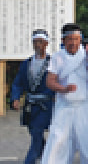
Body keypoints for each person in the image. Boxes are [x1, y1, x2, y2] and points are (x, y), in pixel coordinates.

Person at [42, 23, 88, 164]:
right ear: (63, 41)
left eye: (76, 39)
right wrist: (64, 89)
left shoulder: (86, 55)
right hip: (64, 106)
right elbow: (50, 81)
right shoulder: (57, 57)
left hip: (84, 107)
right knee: (58, 140)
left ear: (80, 39)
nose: (73, 42)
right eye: (69, 39)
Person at [10, 29, 55, 164]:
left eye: (40, 42)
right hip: (30, 105)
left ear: (46, 43)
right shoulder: (26, 63)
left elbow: (58, 81)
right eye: (35, 42)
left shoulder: (53, 62)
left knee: (36, 133)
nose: (37, 45)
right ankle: (48, 155)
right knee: (35, 133)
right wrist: (16, 98)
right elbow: (18, 82)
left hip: (45, 106)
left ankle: (29, 161)